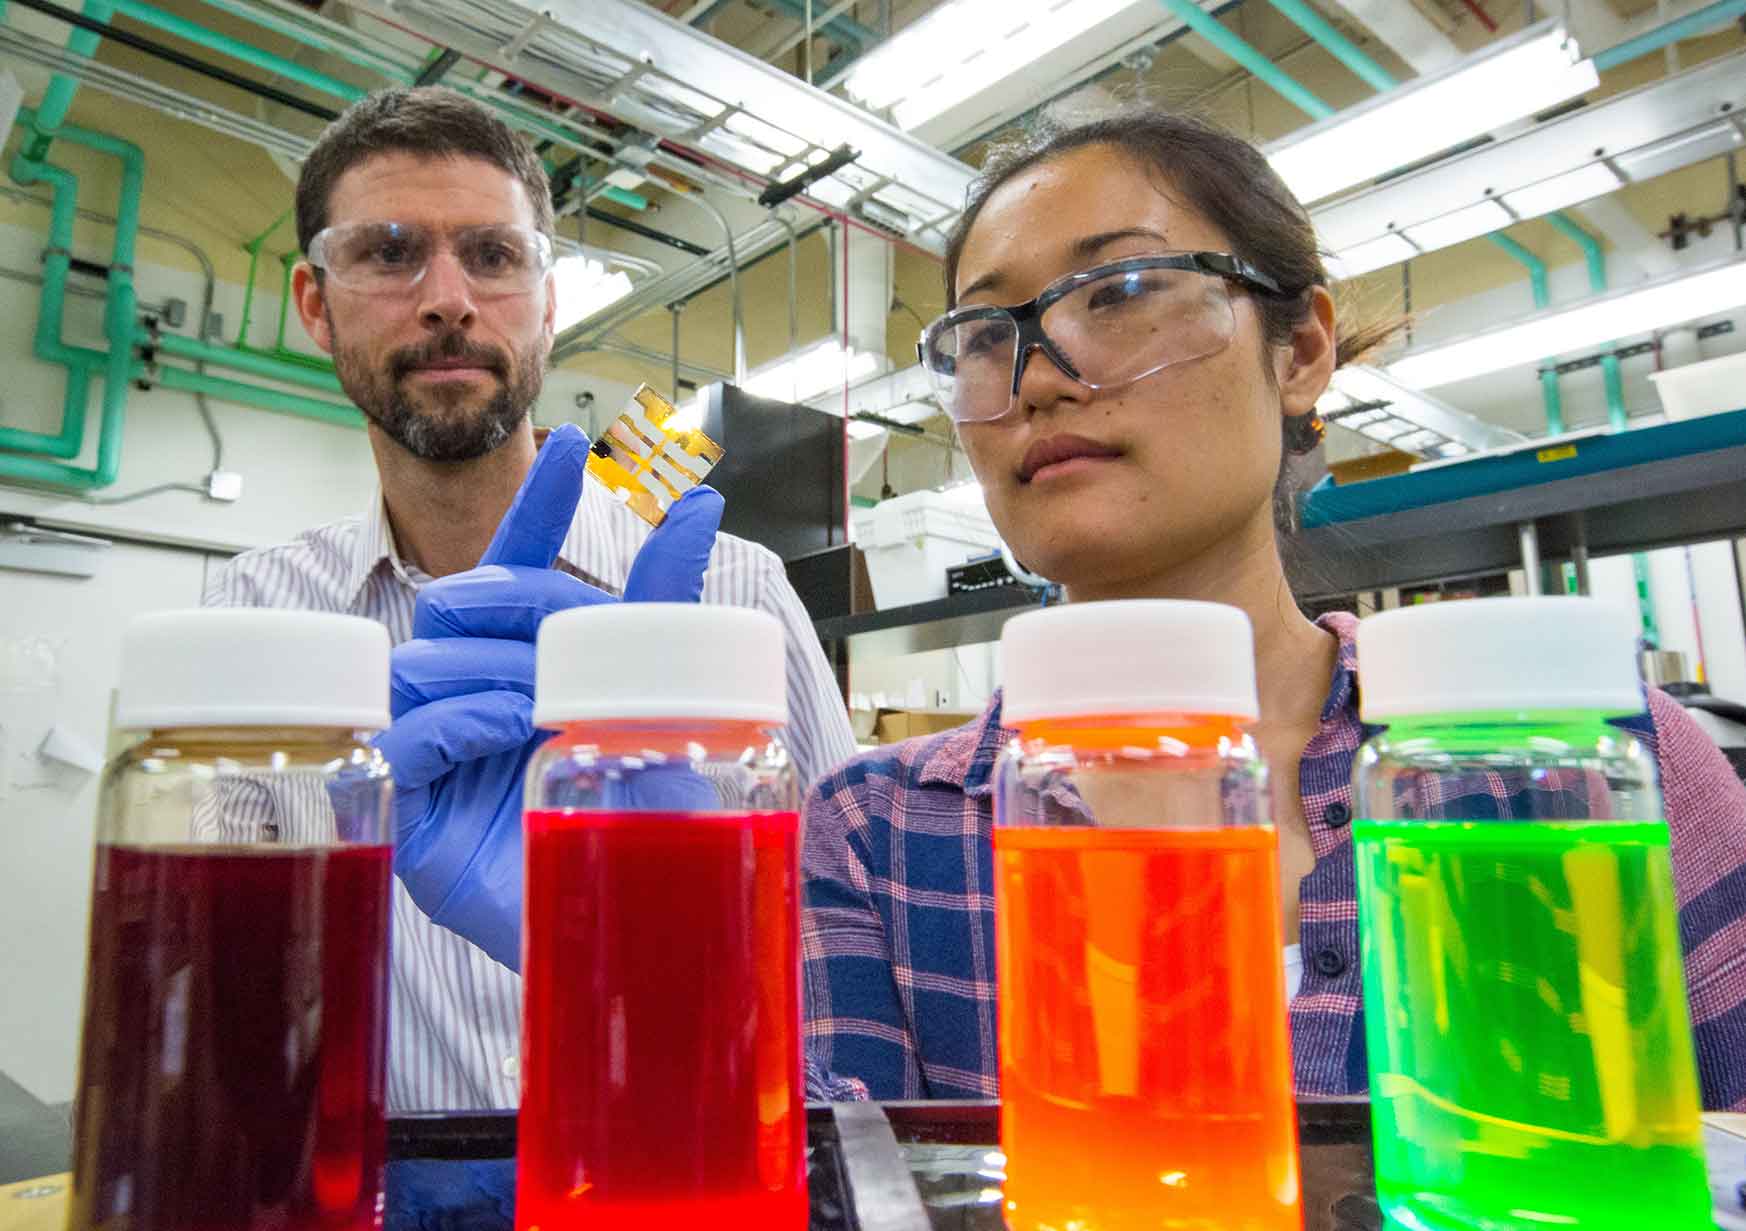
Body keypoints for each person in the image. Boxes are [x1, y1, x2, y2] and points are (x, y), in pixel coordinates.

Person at [799, 107, 1746, 1109]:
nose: (1036, 377)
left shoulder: (1587, 759)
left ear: (1298, 349)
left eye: (1121, 291)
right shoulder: (882, 833)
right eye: (990, 335)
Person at [203, 87, 856, 1112]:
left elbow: (846, 970)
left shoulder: (734, 596)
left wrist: (664, 944)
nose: (449, 298)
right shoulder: (256, 620)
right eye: (388, 251)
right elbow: (227, 999)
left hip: (672, 1166)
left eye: (496, 256)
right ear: (316, 303)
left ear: (549, 305)